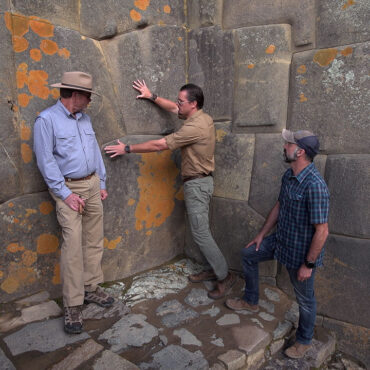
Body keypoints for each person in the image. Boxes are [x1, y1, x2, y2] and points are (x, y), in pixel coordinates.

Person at [105, 80, 235, 299]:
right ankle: (216, 268)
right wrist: (151, 96)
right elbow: (174, 109)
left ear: (193, 104)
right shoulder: (202, 117)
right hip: (198, 182)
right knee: (200, 231)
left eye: (181, 101)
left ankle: (224, 277)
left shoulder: (195, 127)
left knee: (201, 233)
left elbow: (160, 145)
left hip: (197, 184)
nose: (177, 104)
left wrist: (127, 148)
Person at [225, 129, 329, 359]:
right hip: (280, 241)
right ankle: (251, 300)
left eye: (289, 144)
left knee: (305, 299)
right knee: (248, 254)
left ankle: (304, 341)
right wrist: (262, 234)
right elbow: (279, 206)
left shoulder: (315, 185)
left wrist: (308, 265)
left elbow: (322, 231)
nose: (285, 147)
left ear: (300, 151)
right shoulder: (289, 175)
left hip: (301, 255)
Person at [33, 71, 114, 334]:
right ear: (76, 95)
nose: (89, 101)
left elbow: (94, 151)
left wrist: (100, 183)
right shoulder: (46, 120)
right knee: (72, 245)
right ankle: (72, 303)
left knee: (93, 238)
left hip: (91, 186)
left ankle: (90, 287)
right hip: (68, 189)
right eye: (87, 95)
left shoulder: (85, 119)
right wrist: (65, 194)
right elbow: (45, 162)